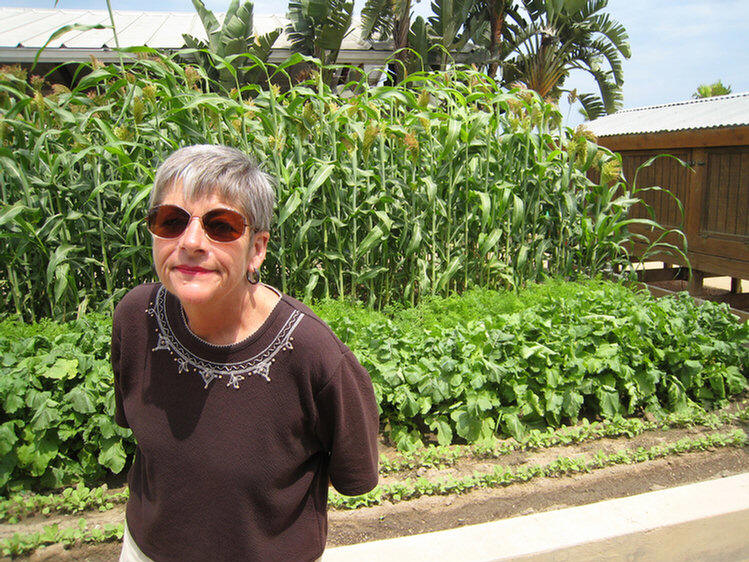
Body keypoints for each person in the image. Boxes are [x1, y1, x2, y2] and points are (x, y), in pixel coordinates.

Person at [111, 145, 380, 561]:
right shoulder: (136, 319)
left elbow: (354, 470)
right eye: (171, 221)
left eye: (221, 226)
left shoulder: (313, 354)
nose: (192, 242)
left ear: (257, 248)